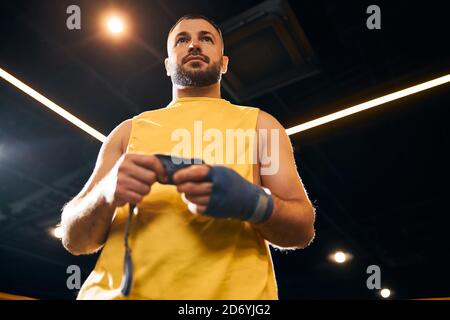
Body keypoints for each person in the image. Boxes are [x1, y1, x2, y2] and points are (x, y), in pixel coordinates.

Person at [61, 14, 316, 300]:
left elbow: (302, 229)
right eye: (182, 40)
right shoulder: (128, 130)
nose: (194, 45)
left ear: (224, 63)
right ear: (168, 66)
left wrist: (252, 203)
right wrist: (104, 193)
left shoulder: (262, 125)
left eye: (206, 39)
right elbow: (75, 239)